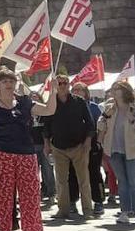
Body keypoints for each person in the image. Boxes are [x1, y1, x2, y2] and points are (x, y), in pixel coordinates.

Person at [0, 69, 57, 231]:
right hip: (0, 152)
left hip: (26, 152)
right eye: (4, 82)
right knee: (3, 194)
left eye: (11, 81)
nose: (8, 85)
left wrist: (53, 91)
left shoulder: (25, 102)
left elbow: (49, 110)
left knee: (31, 192)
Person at [41, 75, 96, 221]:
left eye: (65, 83)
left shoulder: (79, 102)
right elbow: (46, 126)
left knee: (83, 179)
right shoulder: (51, 103)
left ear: (69, 85)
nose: (63, 85)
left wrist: (88, 142)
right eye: (59, 83)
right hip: (58, 146)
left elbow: (90, 123)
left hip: (79, 146)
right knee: (61, 180)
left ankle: (87, 210)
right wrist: (46, 144)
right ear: (55, 85)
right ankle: (63, 210)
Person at [97, 81, 135, 225]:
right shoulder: (109, 108)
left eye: (116, 89)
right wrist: (104, 117)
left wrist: (133, 120)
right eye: (112, 89)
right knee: (123, 182)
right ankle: (125, 212)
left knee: (134, 181)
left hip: (133, 150)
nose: (113, 92)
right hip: (114, 150)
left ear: (124, 91)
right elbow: (100, 125)